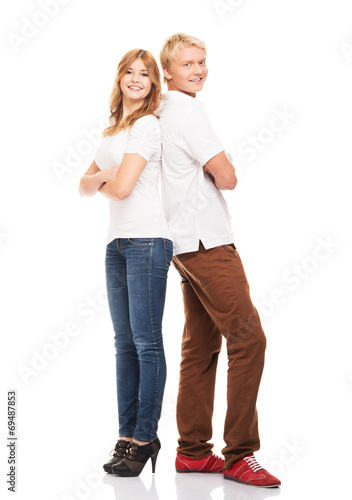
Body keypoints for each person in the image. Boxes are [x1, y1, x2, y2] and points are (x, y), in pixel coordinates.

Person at [158, 33, 281, 488]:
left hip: (182, 244)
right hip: (208, 243)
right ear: (166, 71)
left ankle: (192, 453)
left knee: (200, 346)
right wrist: (218, 167)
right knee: (250, 340)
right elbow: (227, 176)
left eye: (202, 62)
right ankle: (240, 454)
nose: (198, 70)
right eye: (187, 64)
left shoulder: (163, 111)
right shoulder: (188, 111)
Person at [78, 49, 173, 477]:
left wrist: (100, 179)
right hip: (116, 243)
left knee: (147, 342)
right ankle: (125, 433)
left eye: (145, 74)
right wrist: (102, 178)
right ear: (120, 79)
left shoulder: (147, 125)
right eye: (129, 72)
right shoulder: (113, 130)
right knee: (124, 345)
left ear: (154, 83)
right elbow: (84, 186)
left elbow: (119, 189)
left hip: (148, 239)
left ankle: (144, 435)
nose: (136, 79)